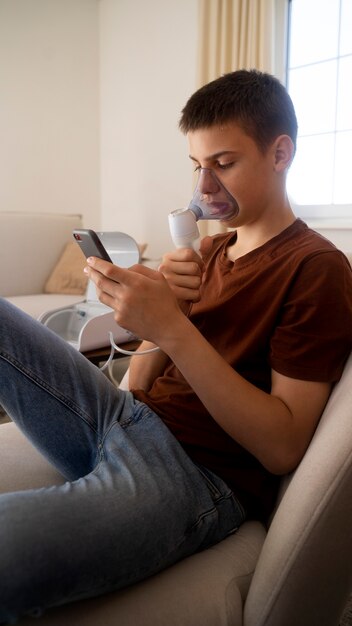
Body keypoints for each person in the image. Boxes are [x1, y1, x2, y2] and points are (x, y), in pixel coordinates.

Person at [1, 69, 352, 622]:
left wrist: (174, 328)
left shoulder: (315, 268)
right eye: (197, 166)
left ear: (280, 153)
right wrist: (159, 310)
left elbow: (283, 446)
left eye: (224, 163)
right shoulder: (210, 254)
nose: (203, 189)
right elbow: (137, 389)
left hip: (194, 474)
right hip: (127, 420)